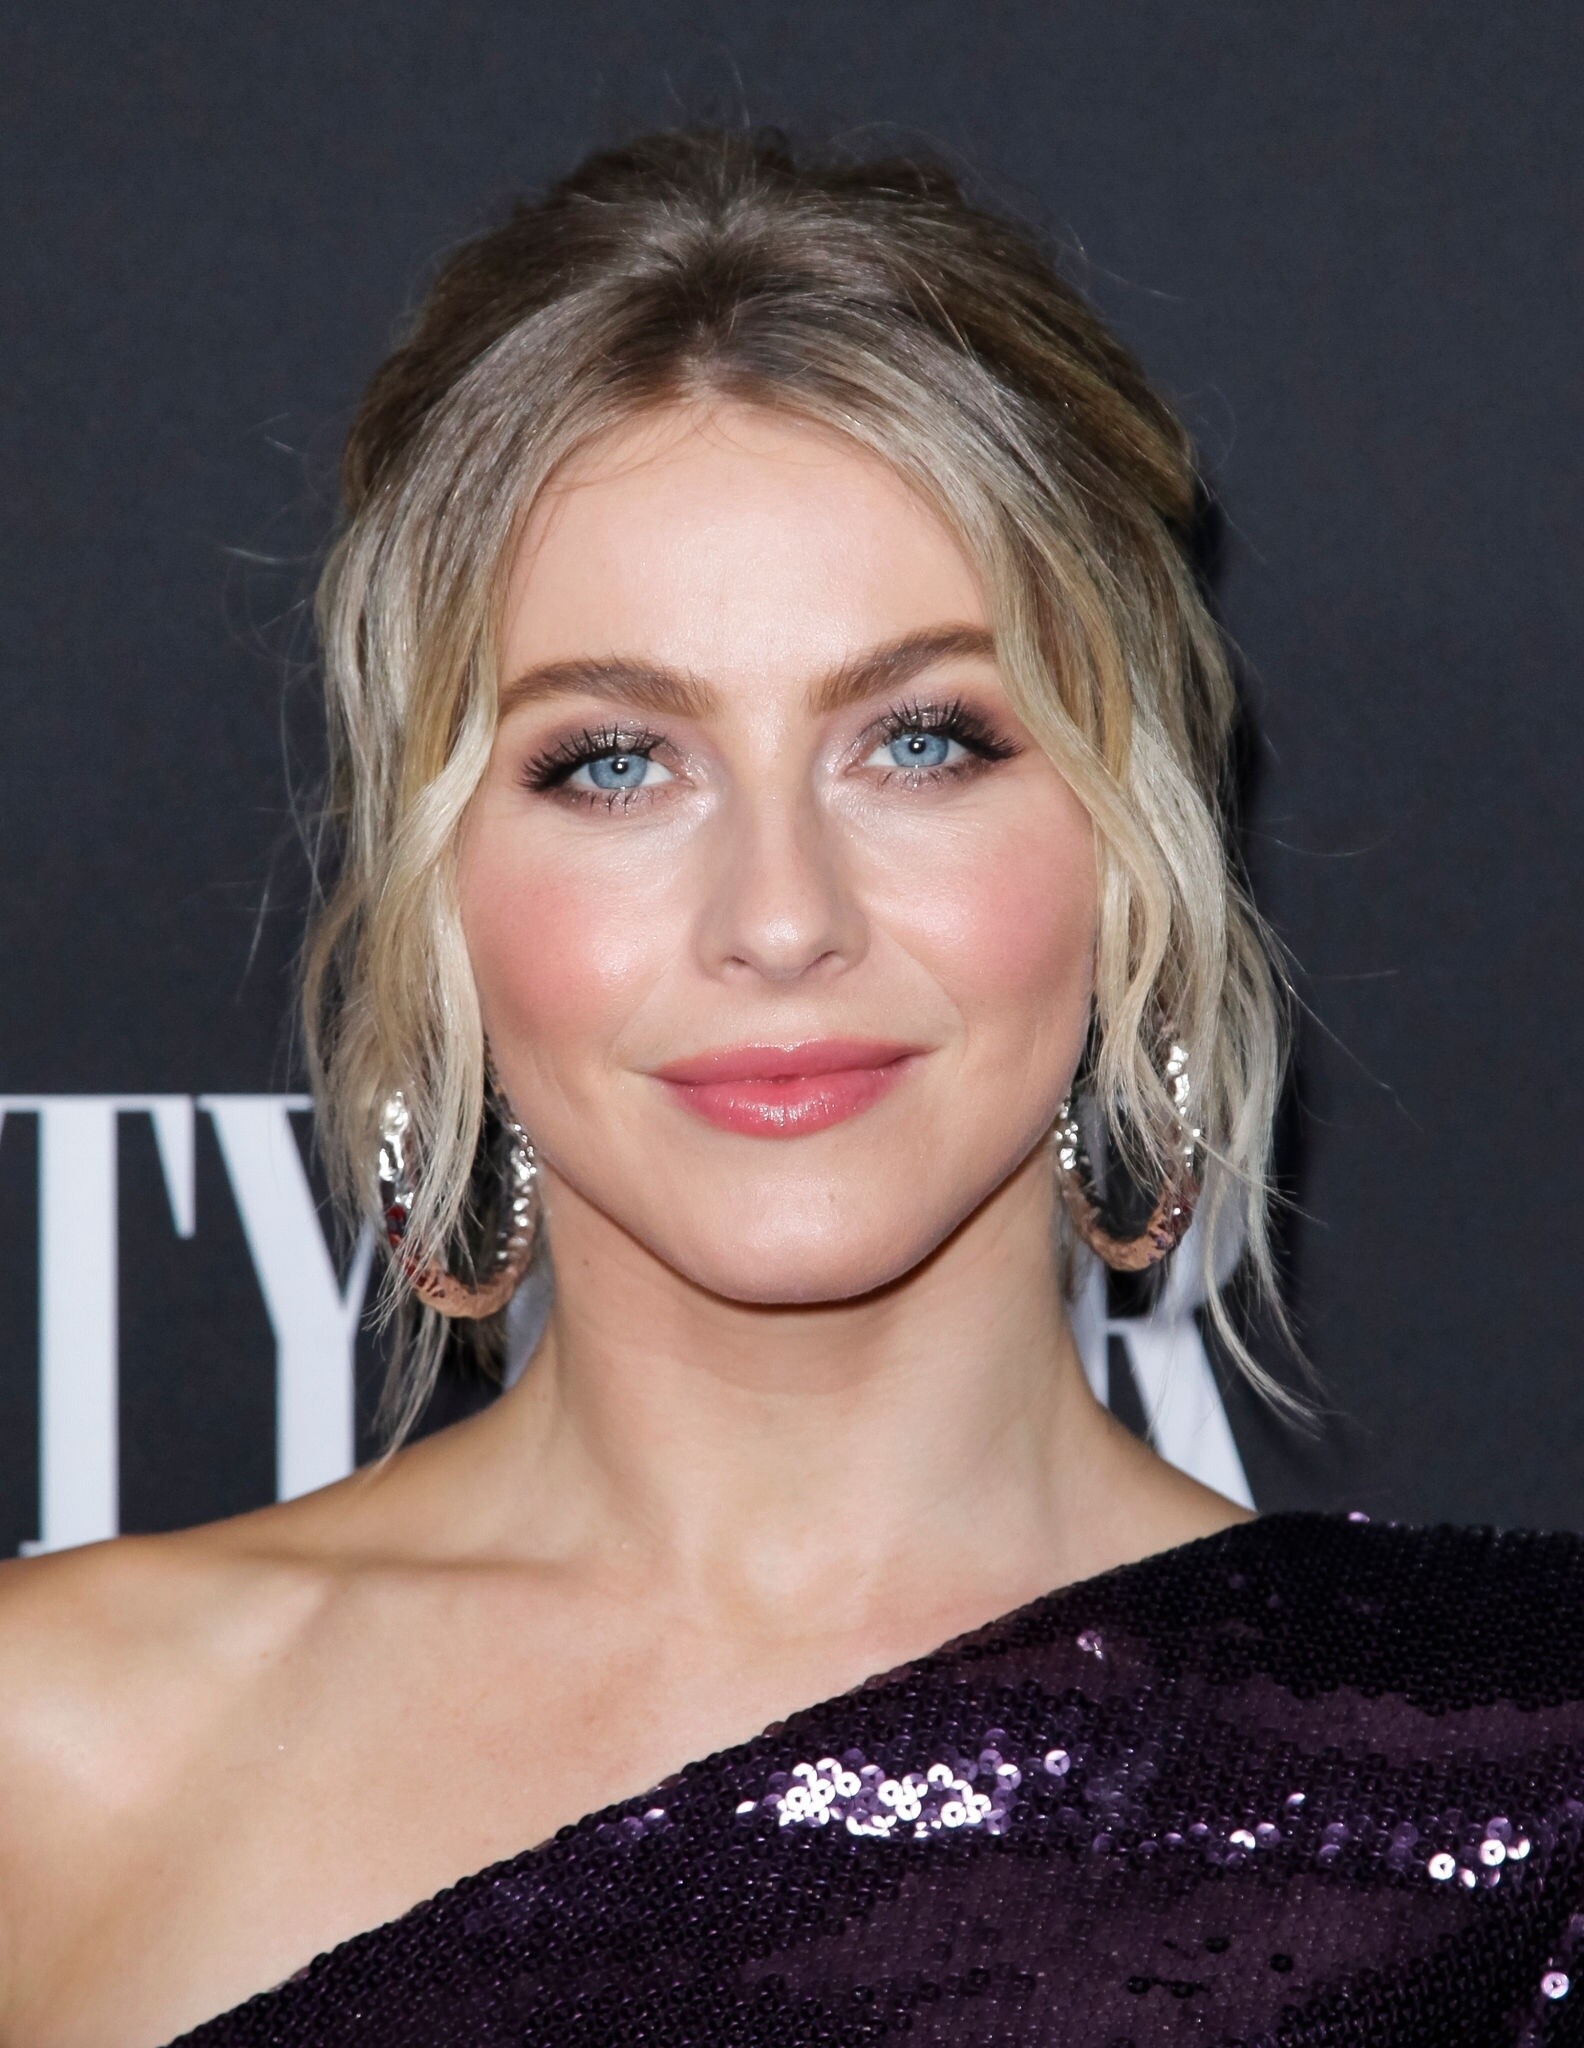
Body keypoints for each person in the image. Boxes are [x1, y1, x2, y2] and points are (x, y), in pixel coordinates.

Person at [0, 127, 1579, 2048]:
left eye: (921, 741)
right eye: (613, 762)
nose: (778, 917)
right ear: (439, 888)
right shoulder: (52, 1753)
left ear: (1129, 847)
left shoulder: (1518, 1780)